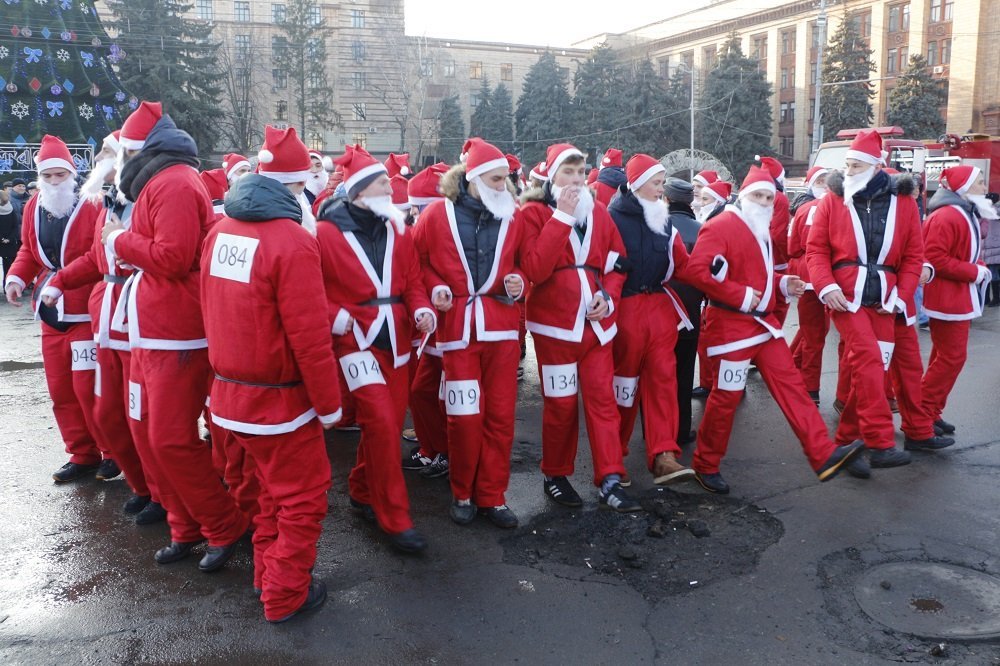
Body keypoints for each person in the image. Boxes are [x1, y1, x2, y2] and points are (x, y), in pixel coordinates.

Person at [201, 125, 341, 623]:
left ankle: (266, 574)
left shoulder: (220, 232)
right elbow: (309, 336)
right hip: (279, 403)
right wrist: (329, 406)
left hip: (230, 398)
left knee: (266, 497)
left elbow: (210, 309)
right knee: (302, 501)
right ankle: (285, 593)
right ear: (296, 186)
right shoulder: (292, 242)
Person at [101, 101, 249, 570]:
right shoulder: (159, 182)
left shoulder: (175, 183)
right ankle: (187, 527)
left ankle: (224, 524)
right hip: (153, 331)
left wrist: (117, 240)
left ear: (137, 149)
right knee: (149, 435)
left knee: (168, 438)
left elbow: (172, 255)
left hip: (176, 334)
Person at [686, 166, 864, 493]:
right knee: (724, 399)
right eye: (758, 195)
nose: (765, 201)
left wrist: (782, 284)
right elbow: (696, 272)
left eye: (769, 197)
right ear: (743, 196)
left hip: (762, 327)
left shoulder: (760, 228)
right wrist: (739, 295)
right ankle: (705, 464)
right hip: (731, 331)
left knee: (793, 388)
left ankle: (823, 455)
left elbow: (757, 274)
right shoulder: (720, 225)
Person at [316, 144, 435, 554]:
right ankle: (395, 519)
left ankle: (362, 490)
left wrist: (422, 311)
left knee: (383, 424)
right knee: (384, 424)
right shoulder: (325, 234)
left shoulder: (397, 229)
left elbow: (414, 282)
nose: (391, 187)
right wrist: (338, 318)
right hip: (355, 341)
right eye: (384, 182)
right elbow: (310, 290)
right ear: (361, 190)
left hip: (399, 340)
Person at [41, 132, 161, 516]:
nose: (101, 160)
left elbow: (167, 256)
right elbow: (96, 257)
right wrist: (58, 282)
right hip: (108, 322)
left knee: (141, 415)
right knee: (108, 413)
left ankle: (160, 494)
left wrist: (121, 240)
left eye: (108, 153)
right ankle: (142, 482)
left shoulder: (148, 198)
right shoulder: (111, 201)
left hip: (140, 322)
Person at [518, 142, 640, 512]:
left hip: (597, 329)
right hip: (555, 331)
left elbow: (618, 264)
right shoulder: (533, 215)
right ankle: (555, 473)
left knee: (603, 403)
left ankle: (611, 478)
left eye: (579, 171)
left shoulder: (601, 213)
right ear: (551, 177)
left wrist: (610, 297)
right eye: (566, 172)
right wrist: (563, 217)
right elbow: (536, 269)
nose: (574, 179)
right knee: (561, 405)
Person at [416, 138, 524, 527]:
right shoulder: (435, 215)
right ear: (473, 178)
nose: (504, 186)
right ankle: (462, 492)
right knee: (463, 417)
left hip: (501, 330)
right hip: (458, 330)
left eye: (506, 180)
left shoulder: (513, 216)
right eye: (497, 180)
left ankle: (492, 495)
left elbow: (523, 264)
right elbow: (419, 262)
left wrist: (518, 281)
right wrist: (435, 288)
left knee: (500, 417)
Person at [806, 129, 924, 470]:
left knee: (872, 371)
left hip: (886, 298)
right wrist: (827, 287)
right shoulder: (831, 200)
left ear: (876, 166)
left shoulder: (903, 203)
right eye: (847, 164)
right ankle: (880, 442)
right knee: (871, 361)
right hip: (846, 296)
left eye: (856, 165)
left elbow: (914, 256)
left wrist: (901, 296)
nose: (849, 171)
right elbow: (816, 250)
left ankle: (846, 443)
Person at [4, 135, 113, 483]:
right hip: (51, 314)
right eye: (48, 176)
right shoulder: (34, 206)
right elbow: (27, 250)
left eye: (60, 175)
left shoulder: (92, 203)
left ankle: (111, 451)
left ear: (72, 174)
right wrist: (16, 278)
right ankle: (81, 454)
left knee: (90, 387)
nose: (54, 182)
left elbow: (97, 256)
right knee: (61, 389)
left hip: (85, 309)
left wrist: (60, 280)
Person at [608, 154, 696, 485]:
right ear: (637, 183)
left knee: (663, 382)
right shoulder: (611, 218)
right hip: (625, 310)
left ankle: (664, 456)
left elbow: (685, 265)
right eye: (657, 183)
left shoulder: (665, 220)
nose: (662, 190)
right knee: (624, 387)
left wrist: (722, 276)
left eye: (662, 183)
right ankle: (613, 455)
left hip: (659, 309)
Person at [920, 166, 996, 435]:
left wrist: (978, 266)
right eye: (979, 181)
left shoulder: (960, 212)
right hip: (947, 296)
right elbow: (935, 259)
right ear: (963, 186)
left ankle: (930, 411)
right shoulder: (948, 216)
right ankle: (924, 412)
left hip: (954, 295)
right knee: (952, 357)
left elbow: (964, 252)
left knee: (943, 356)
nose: (984, 186)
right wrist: (975, 271)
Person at [403, 162, 451, 475]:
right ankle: (433, 448)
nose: (419, 214)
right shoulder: (419, 228)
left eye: (422, 207)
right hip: (434, 328)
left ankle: (445, 452)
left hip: (455, 326)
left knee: (447, 397)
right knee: (421, 391)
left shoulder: (445, 225)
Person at [663, 177, 703, 445]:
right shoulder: (702, 229)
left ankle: (658, 431)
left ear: (666, 199)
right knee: (685, 372)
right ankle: (681, 429)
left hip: (660, 312)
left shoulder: (658, 226)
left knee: (657, 375)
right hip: (691, 313)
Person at [786, 166, 830, 404]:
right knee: (815, 334)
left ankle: (794, 367)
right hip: (824, 277)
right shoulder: (822, 207)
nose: (824, 184)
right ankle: (809, 386)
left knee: (813, 330)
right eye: (820, 180)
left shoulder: (803, 209)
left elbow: (792, 247)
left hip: (812, 276)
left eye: (827, 180)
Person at [692, 179, 733, 399]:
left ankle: (717, 385)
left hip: (716, 294)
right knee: (708, 341)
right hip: (711, 294)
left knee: (715, 342)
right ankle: (713, 383)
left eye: (705, 198)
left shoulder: (719, 222)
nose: (699, 200)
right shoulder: (710, 217)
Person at [756, 156, 792, 324]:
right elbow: (779, 233)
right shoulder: (779, 198)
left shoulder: (752, 194)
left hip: (756, 257)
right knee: (779, 304)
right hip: (776, 259)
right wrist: (788, 256)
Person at [0, 187, 21, 284]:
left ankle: (7, 285)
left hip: (8, 242)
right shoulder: (11, 208)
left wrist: (9, 239)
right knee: (8, 265)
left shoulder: (10, 209)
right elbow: (15, 226)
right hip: (7, 241)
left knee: (8, 266)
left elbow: (15, 226)